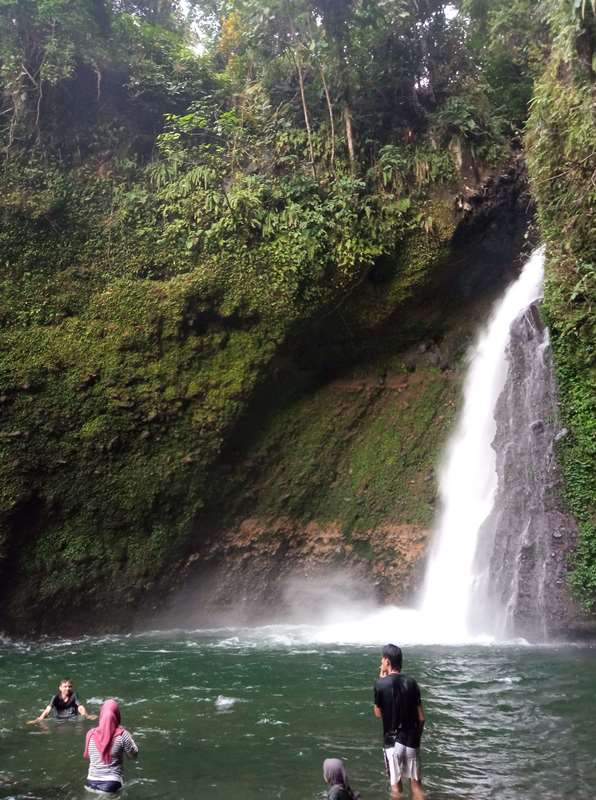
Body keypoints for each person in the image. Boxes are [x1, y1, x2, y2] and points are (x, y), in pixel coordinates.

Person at [373, 644, 425, 800]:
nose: (380, 663)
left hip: (392, 743)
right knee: (416, 786)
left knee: (396, 788)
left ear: (387, 662)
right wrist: (417, 739)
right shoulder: (412, 682)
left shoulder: (380, 684)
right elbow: (421, 718)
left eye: (382, 660)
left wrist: (381, 680)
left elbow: (378, 713)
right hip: (411, 740)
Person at [83, 698, 138, 794]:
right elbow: (133, 756)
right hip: (111, 785)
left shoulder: (90, 733)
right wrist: (131, 739)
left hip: (90, 783)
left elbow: (87, 756)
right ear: (117, 715)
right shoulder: (122, 734)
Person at [28, 678, 95, 723]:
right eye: (65, 686)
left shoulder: (74, 695)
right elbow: (48, 709)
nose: (68, 688)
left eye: (70, 686)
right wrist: (39, 718)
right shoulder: (55, 697)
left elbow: (80, 707)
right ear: (60, 688)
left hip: (72, 718)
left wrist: (87, 715)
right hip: (58, 719)